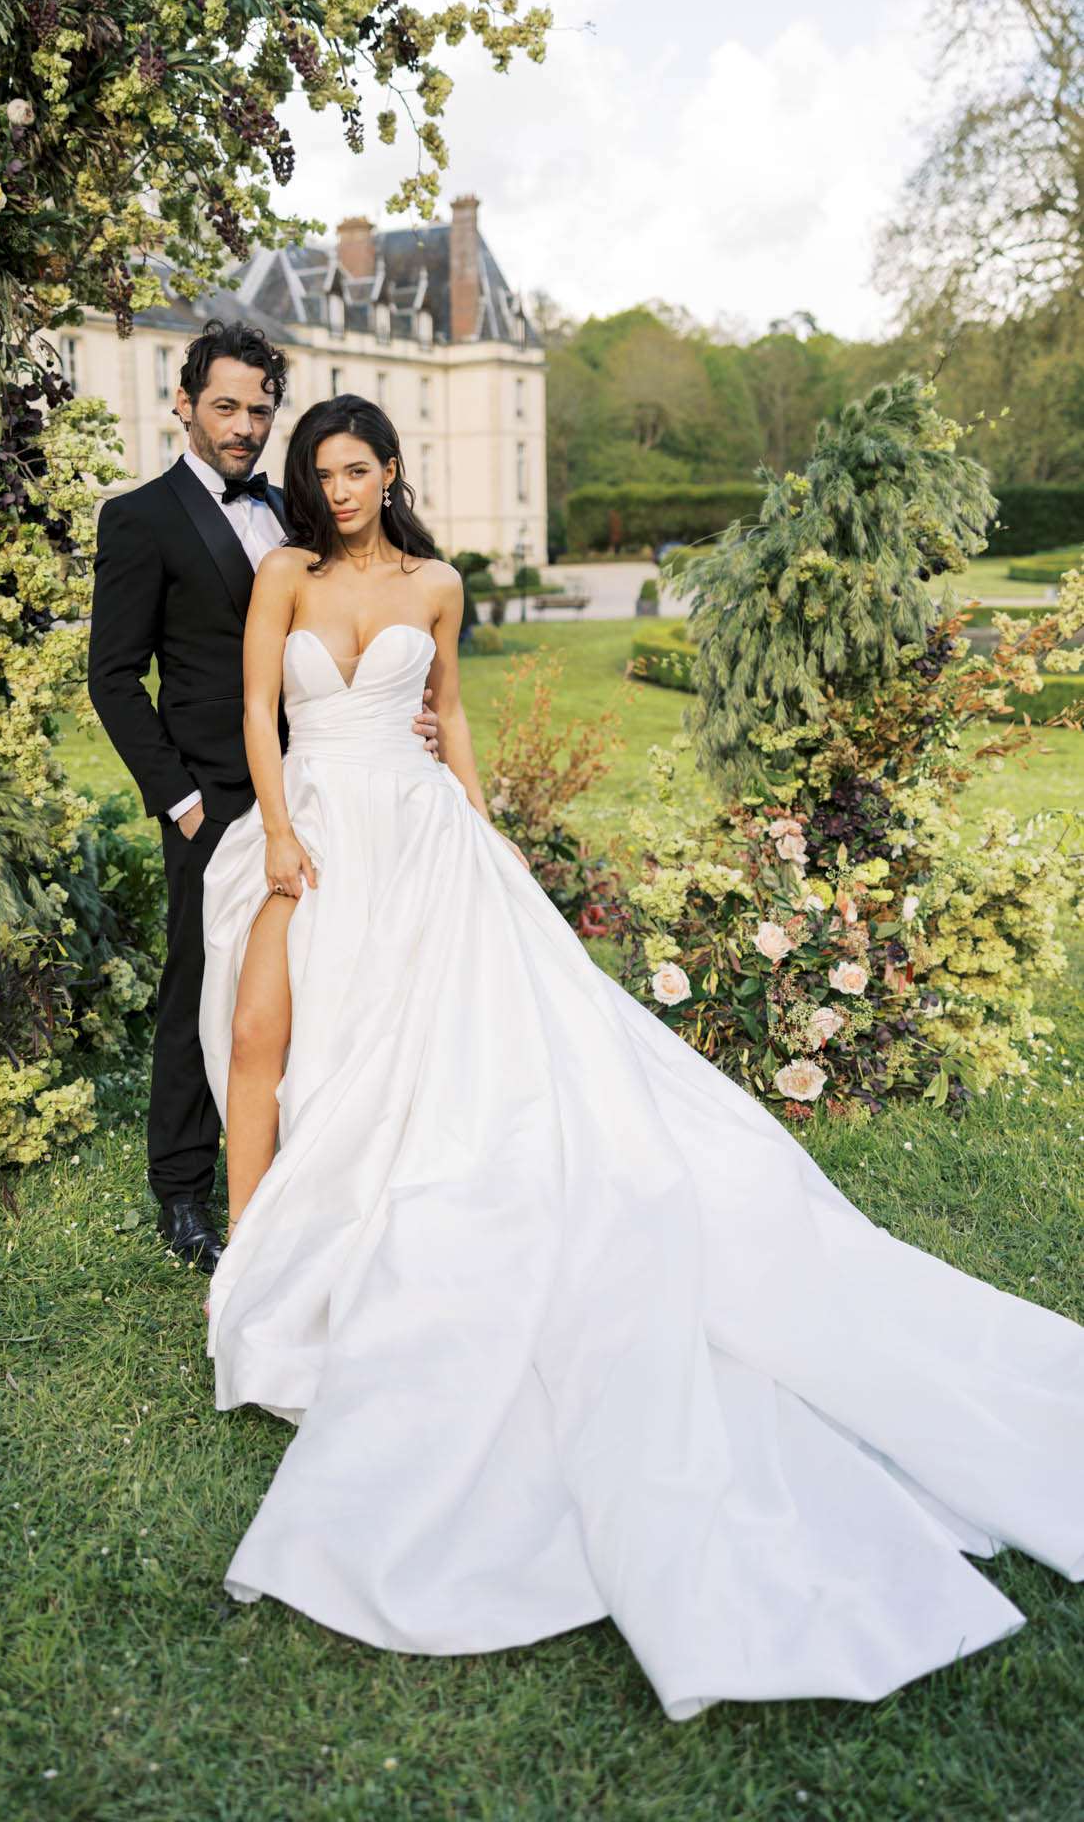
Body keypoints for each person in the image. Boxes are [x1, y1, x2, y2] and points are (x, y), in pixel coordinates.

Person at [197, 392, 1084, 1722]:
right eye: (318, 470)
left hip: (425, 837)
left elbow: (451, 714)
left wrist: (485, 827)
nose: (336, 490)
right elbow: (262, 715)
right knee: (279, 1036)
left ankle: (358, 1226)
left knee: (438, 1060)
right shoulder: (281, 575)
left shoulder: (437, 582)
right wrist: (273, 829)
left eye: (355, 467)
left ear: (389, 470)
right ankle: (260, 1251)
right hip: (316, 826)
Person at [87, 322, 439, 1269]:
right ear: (184, 404)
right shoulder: (139, 518)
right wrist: (182, 803)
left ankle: (322, 1159)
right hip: (215, 797)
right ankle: (182, 1191)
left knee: (335, 977)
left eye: (258, 409)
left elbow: (377, 612)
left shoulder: (304, 509)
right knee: (202, 983)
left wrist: (407, 716)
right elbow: (114, 678)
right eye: (226, 407)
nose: (244, 426)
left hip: (327, 782)